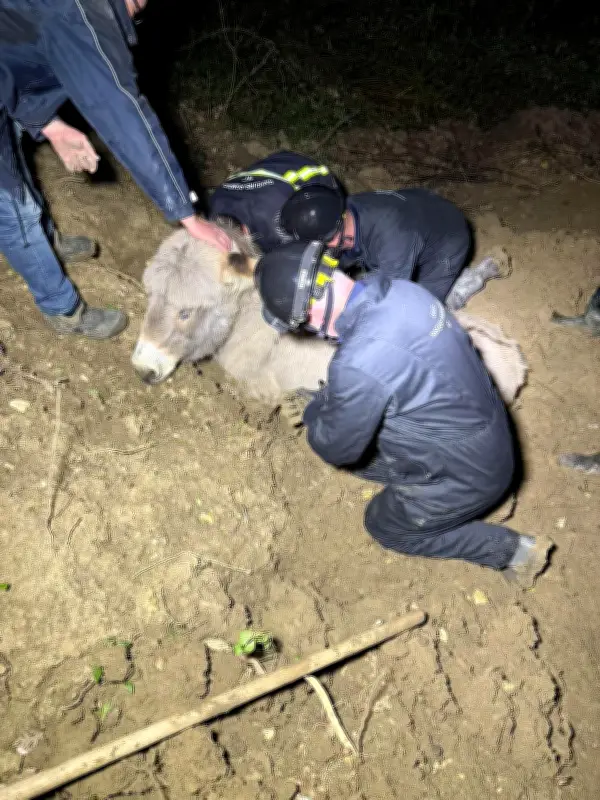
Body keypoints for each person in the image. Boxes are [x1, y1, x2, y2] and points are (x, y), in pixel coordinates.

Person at [253, 239, 554, 588]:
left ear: (309, 313)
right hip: (487, 436)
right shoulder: (402, 293)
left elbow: (335, 447)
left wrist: (317, 410)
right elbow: (398, 374)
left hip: (470, 475)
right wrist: (332, 397)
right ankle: (457, 501)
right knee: (369, 438)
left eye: (298, 324)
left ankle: (515, 551)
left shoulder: (358, 362)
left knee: (385, 524)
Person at [0, 0, 229, 339]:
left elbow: (11, 55)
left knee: (15, 167)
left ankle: (46, 241)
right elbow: (122, 112)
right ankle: (63, 310)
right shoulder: (81, 12)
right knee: (14, 210)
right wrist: (187, 215)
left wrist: (49, 124)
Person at [278, 183, 505, 310]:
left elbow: (390, 301)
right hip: (417, 214)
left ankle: (472, 278)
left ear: (337, 228)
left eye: (324, 243)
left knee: (422, 312)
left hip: (447, 239)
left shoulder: (392, 237)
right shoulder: (343, 212)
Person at [208, 150, 342, 253]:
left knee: (328, 235)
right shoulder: (213, 205)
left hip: (316, 175)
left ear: (245, 230)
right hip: (271, 171)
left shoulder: (275, 226)